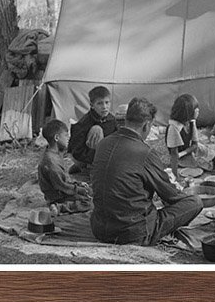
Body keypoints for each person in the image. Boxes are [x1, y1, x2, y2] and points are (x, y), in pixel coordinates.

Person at [90, 97, 202, 246]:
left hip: (99, 229)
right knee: (195, 202)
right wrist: (179, 189)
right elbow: (171, 195)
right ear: (146, 125)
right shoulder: (146, 153)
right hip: (132, 233)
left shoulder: (103, 143)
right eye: (151, 127)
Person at [37, 119, 92, 214]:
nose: (69, 137)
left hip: (62, 190)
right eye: (66, 135)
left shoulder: (56, 153)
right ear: (57, 138)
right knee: (90, 203)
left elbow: (65, 179)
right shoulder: (51, 161)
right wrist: (79, 190)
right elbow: (61, 185)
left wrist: (78, 184)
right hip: (57, 196)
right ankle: (60, 207)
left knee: (93, 190)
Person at [68, 85, 118, 173]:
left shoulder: (111, 119)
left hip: (104, 155)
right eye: (100, 103)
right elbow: (76, 151)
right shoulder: (84, 123)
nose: (104, 107)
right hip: (85, 157)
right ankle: (88, 168)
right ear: (92, 105)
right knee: (97, 130)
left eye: (107, 102)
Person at [166, 92, 200, 177]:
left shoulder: (191, 122)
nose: (198, 110)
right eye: (195, 108)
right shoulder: (174, 128)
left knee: (213, 156)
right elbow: (174, 155)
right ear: (188, 112)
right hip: (180, 158)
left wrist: (184, 153)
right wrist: (175, 176)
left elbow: (195, 145)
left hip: (185, 152)